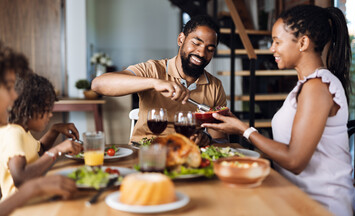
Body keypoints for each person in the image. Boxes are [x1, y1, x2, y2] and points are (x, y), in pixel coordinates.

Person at [202, 5, 355, 216]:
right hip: (296, 196)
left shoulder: (318, 87)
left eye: (277, 41)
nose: (272, 49)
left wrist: (244, 130)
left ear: (303, 43)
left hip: (322, 206)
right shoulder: (306, 85)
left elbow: (295, 161)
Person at [92, 15, 227, 146]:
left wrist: (207, 139)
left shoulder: (215, 86)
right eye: (196, 43)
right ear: (181, 39)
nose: (202, 53)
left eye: (209, 49)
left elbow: (221, 139)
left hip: (185, 154)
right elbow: (98, 84)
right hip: (145, 151)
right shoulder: (152, 69)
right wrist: (154, 83)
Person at [0, 43, 77, 215]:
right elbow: (20, 179)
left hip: (32, 202)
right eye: (8, 87)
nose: (13, 96)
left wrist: (54, 130)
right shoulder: (13, 133)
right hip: (22, 209)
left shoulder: (22, 132)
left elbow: (38, 151)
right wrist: (57, 150)